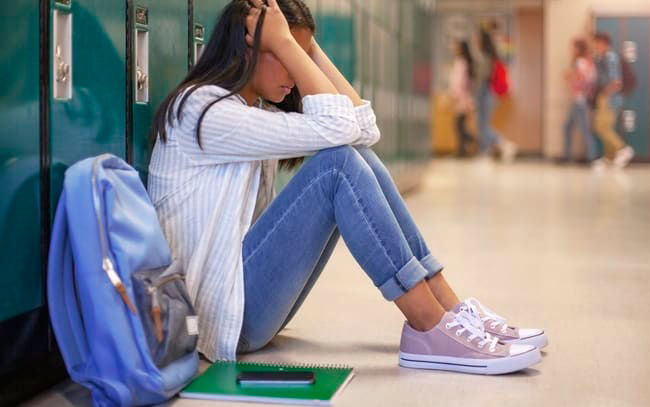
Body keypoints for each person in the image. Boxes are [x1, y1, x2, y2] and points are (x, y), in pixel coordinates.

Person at [147, 0, 547, 375]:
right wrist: (288, 42)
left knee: (357, 157)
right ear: (248, 48)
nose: (295, 72)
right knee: (336, 166)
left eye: (301, 59)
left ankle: (448, 311)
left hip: (242, 305)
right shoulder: (204, 110)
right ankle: (428, 325)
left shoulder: (254, 110)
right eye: (287, 57)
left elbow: (363, 131)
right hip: (219, 317)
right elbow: (340, 131)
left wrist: (304, 44)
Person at [592, 32, 634, 169]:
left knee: (602, 128)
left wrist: (605, 93)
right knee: (603, 127)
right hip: (604, 97)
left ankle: (622, 149)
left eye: (597, 43)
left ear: (605, 44)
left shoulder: (611, 58)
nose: (595, 46)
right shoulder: (600, 58)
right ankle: (609, 157)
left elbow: (617, 83)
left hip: (610, 98)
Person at [475, 28, 517, 162]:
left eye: (478, 38)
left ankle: (504, 143)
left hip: (485, 93)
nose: (476, 41)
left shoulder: (486, 57)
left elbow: (483, 77)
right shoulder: (490, 57)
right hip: (488, 93)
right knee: (482, 125)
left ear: (483, 41)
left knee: (483, 125)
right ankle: (485, 151)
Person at [562, 38, 597, 164]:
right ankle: (567, 156)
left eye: (573, 47)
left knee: (583, 129)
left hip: (579, 100)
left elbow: (582, 79)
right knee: (567, 127)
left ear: (578, 48)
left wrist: (569, 76)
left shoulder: (580, 62)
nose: (571, 50)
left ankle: (591, 157)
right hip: (580, 99)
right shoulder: (587, 62)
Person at [448, 40, 476, 157]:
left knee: (459, 126)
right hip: (463, 98)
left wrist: (454, 95)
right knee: (460, 125)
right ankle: (462, 150)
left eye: (456, 47)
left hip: (460, 99)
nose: (453, 48)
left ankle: (471, 142)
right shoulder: (465, 63)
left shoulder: (461, 63)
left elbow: (458, 82)